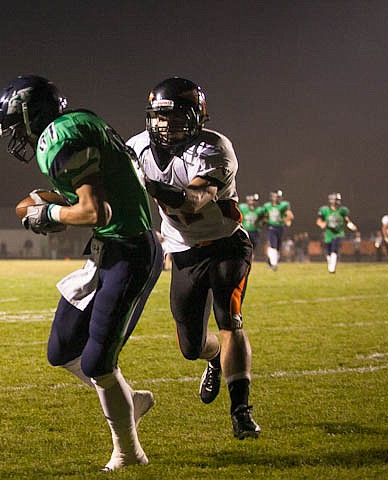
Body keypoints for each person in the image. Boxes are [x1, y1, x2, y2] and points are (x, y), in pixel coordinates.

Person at [0, 75, 164, 471]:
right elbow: (91, 193)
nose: (17, 138)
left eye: (17, 128)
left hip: (130, 252)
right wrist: (46, 201)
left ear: (30, 116)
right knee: (62, 349)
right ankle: (129, 399)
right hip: (108, 249)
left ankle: (128, 453)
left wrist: (47, 212)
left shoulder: (58, 137)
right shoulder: (78, 123)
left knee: (97, 364)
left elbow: (93, 211)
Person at [127, 77, 260, 440]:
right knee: (190, 347)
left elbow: (193, 200)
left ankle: (241, 411)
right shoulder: (136, 147)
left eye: (176, 117)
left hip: (225, 246)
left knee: (229, 320)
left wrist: (145, 184)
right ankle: (214, 359)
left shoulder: (214, 148)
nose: (166, 125)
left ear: (197, 116)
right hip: (183, 253)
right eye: (159, 117)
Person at [316, 193, 357, 273]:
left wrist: (352, 226)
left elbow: (347, 220)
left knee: (334, 250)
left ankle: (332, 268)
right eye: (336, 200)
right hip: (328, 234)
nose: (338, 202)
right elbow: (319, 221)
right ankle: (330, 265)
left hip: (338, 233)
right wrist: (322, 224)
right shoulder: (325, 210)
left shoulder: (342, 210)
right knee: (328, 252)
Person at [262, 190, 294, 271]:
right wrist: (265, 221)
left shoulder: (284, 205)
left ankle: (270, 261)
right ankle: (274, 264)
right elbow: (264, 216)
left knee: (278, 247)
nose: (275, 198)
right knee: (273, 245)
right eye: (274, 196)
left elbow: (290, 215)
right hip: (271, 227)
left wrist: (287, 219)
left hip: (280, 227)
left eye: (277, 197)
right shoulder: (267, 206)